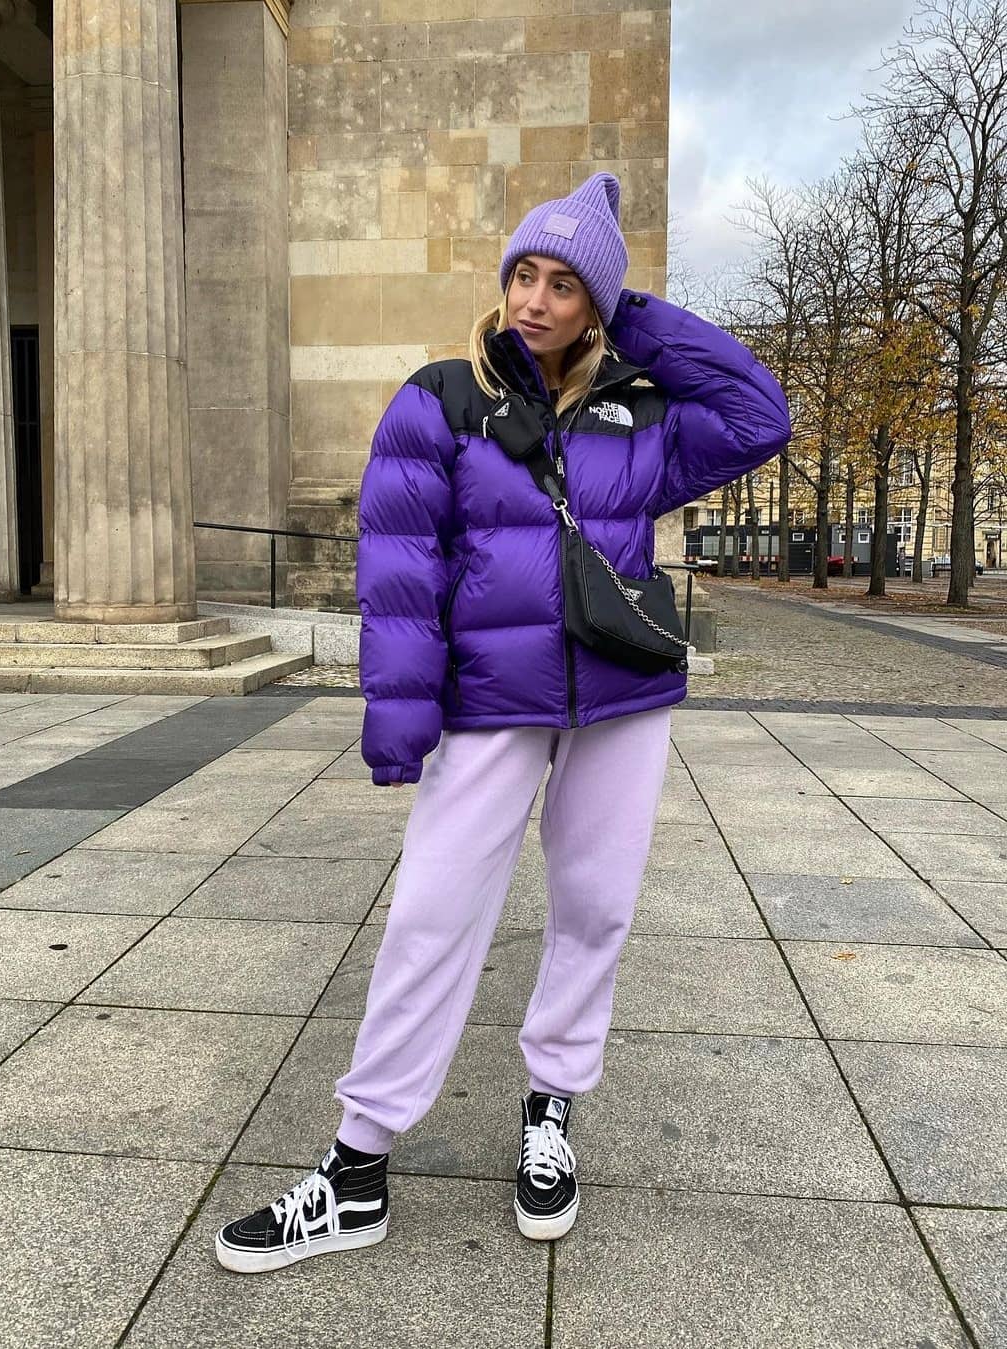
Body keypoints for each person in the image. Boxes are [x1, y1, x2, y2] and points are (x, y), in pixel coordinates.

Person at [215, 172, 791, 1274]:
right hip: (489, 698)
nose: (534, 298)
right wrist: (400, 706)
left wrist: (636, 319)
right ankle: (358, 1165)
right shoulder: (442, 397)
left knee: (595, 909)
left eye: (565, 283)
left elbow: (760, 417)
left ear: (596, 304)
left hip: (621, 695)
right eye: (524, 273)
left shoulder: (643, 412)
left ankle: (550, 1107)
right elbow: (399, 563)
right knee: (431, 914)